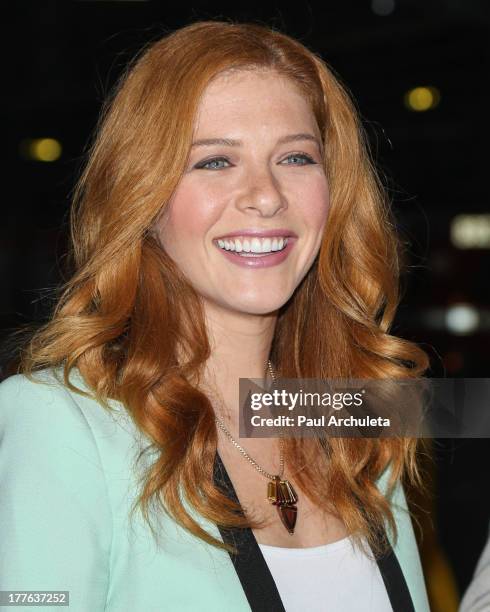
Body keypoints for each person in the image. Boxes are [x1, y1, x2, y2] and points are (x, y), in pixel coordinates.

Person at [0, 20, 431, 612]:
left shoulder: (356, 420)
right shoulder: (62, 424)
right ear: (142, 198)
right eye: (214, 162)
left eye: (297, 157)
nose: (266, 195)